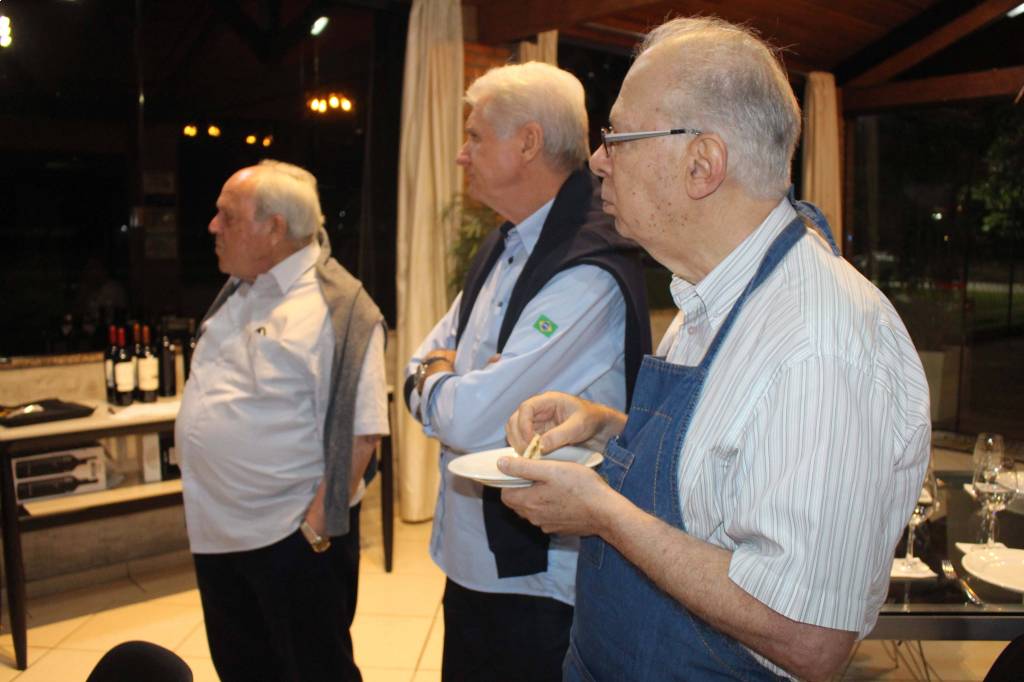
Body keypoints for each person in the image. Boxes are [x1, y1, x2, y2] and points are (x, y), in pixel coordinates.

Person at [499, 17, 931, 682]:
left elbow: (809, 637)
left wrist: (604, 514)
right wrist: (603, 424)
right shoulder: (714, 293)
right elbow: (725, 465)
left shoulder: (821, 345)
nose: (598, 160)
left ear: (702, 164)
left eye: (618, 138)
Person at [404, 62, 650, 682]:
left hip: (542, 581)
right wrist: (449, 374)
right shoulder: (506, 243)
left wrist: (446, 377)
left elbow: (469, 418)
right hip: (475, 560)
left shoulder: (587, 264)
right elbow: (423, 360)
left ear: (529, 142)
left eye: (475, 136)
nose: (461, 154)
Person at [175, 160, 388, 682]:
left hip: (290, 540)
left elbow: (362, 434)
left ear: (274, 228)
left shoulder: (340, 307)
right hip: (217, 534)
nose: (212, 226)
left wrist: (313, 531)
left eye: (227, 216)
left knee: (316, 672)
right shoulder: (238, 290)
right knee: (243, 669)